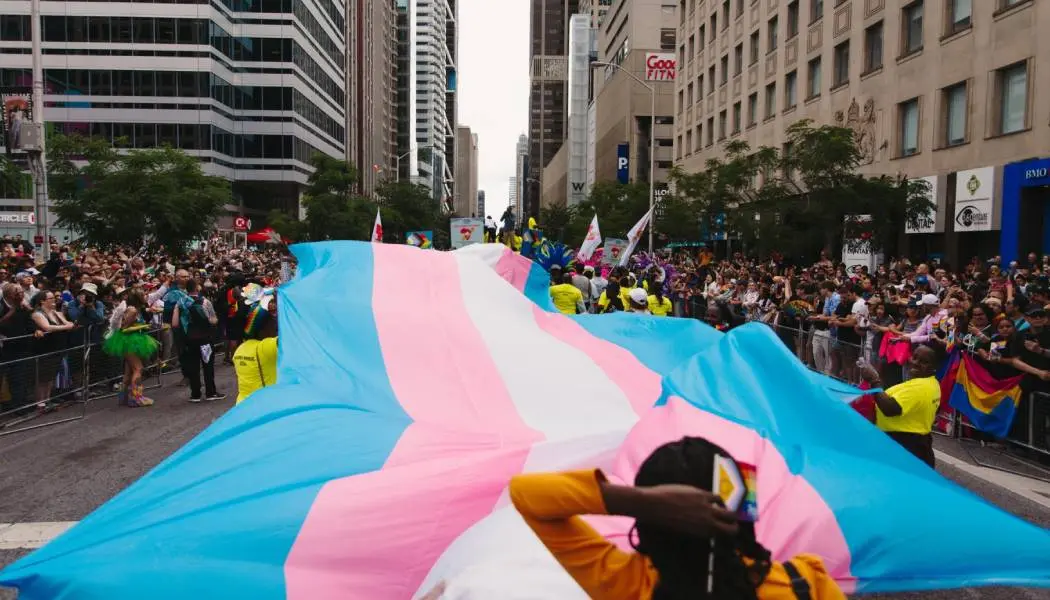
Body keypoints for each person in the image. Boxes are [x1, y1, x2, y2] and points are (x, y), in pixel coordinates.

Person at [509, 437, 846, 600]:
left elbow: (526, 494)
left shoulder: (625, 584)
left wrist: (640, 501)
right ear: (742, 510)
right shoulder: (806, 583)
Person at [860, 345, 941, 467]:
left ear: (934, 368)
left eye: (924, 362)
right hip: (909, 445)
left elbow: (890, 409)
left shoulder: (920, 387)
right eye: (915, 357)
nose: (916, 363)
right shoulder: (930, 383)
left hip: (907, 448)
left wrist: (874, 380)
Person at [101, 289, 159, 407]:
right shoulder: (132, 310)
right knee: (138, 369)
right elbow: (124, 327)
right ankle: (136, 397)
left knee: (129, 371)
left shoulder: (135, 309)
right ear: (138, 297)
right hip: (129, 341)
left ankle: (123, 398)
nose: (146, 296)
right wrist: (142, 327)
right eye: (143, 294)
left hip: (131, 340)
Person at [174, 279, 225, 403]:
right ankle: (210, 392)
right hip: (205, 339)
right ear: (197, 287)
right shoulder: (205, 302)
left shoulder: (180, 302)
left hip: (189, 340)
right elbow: (213, 320)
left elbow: (175, 323)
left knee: (193, 367)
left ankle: (195, 394)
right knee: (208, 366)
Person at [233, 296, 278, 404]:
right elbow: (294, 338)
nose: (276, 328)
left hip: (243, 405)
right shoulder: (266, 347)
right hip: (264, 406)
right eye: (273, 324)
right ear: (264, 328)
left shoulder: (240, 349)